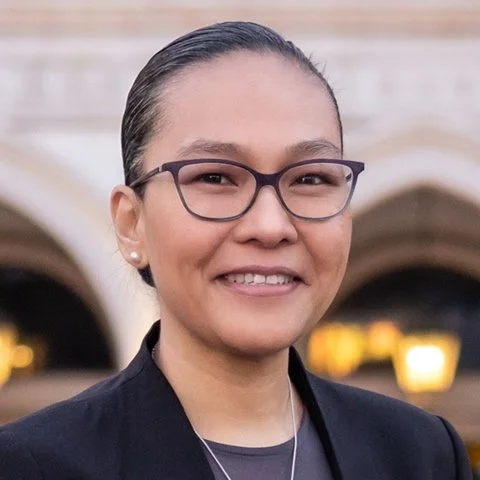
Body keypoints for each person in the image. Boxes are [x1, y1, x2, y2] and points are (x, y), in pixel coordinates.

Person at [0, 21, 472, 480]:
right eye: (215, 177)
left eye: (311, 178)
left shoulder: (421, 454)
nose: (270, 226)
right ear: (131, 224)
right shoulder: (34, 466)